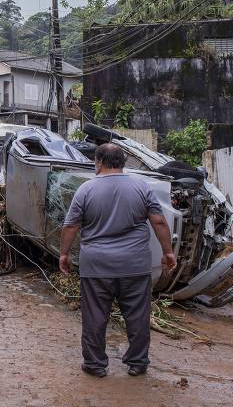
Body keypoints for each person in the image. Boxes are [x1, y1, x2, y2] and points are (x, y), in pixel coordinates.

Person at [60, 143, 177, 378]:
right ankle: (138, 362)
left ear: (100, 162)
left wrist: (63, 254)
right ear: (122, 162)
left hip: (96, 267)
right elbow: (160, 222)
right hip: (134, 266)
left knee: (94, 317)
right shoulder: (141, 187)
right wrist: (168, 252)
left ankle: (95, 365)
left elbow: (71, 226)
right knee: (137, 316)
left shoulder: (85, 190)